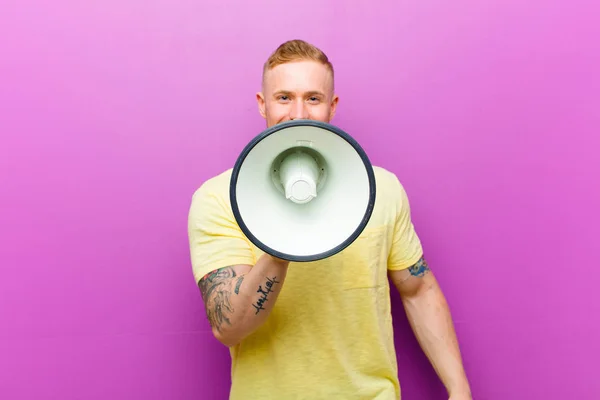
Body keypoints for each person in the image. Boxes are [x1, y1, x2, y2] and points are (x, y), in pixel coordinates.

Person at [187, 39, 472, 400]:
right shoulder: (218, 199)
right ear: (263, 104)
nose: (299, 114)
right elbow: (228, 327)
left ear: (332, 106)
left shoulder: (380, 190)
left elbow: (418, 289)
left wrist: (459, 388)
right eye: (284, 97)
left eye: (313, 98)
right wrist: (282, 239)